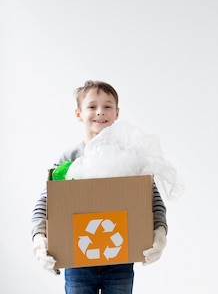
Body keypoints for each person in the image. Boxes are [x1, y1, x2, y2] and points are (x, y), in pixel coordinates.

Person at [31, 80, 168, 293]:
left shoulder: (128, 158)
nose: (100, 112)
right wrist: (39, 238)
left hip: (120, 259)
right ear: (78, 113)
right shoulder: (69, 160)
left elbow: (151, 197)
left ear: (117, 113)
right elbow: (47, 201)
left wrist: (160, 231)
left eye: (107, 106)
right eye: (92, 106)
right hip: (77, 263)